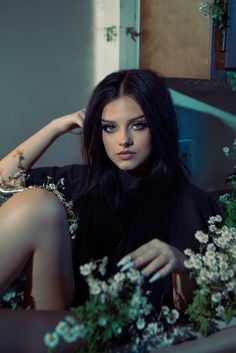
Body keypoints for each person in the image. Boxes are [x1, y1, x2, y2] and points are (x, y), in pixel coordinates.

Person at [0, 69, 221, 350]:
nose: (123, 140)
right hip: (55, 322)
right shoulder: (81, 181)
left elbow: (198, 314)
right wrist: (54, 128)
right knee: (37, 204)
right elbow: (2, 181)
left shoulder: (190, 203)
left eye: (138, 125)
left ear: (160, 126)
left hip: (103, 335)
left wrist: (182, 265)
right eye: (110, 127)